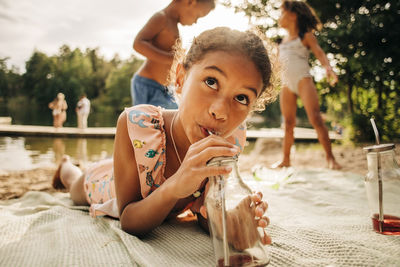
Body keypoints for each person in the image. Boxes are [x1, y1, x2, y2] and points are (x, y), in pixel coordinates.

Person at [53, 27, 276, 249]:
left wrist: (227, 224)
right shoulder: (137, 125)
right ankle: (65, 165)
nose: (220, 111)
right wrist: (176, 185)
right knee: (75, 184)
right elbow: (129, 220)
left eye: (241, 97)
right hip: (106, 183)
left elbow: (202, 209)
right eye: (211, 81)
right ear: (180, 79)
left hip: (137, 177)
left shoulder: (231, 138)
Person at [274, 0, 341, 170]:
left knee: (316, 119)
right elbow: (276, 65)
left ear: (293, 15)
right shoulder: (280, 43)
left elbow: (319, 53)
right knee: (288, 123)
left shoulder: (306, 36)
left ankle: (330, 158)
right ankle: (286, 159)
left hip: (303, 80)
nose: (279, 16)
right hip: (286, 84)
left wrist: (328, 69)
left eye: (282, 12)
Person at [131, 0, 215, 109]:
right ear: (189, 2)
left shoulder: (173, 25)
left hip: (165, 88)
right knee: (144, 121)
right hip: (148, 85)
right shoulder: (161, 18)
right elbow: (138, 44)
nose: (195, 22)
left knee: (174, 116)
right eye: (198, 16)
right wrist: (171, 58)